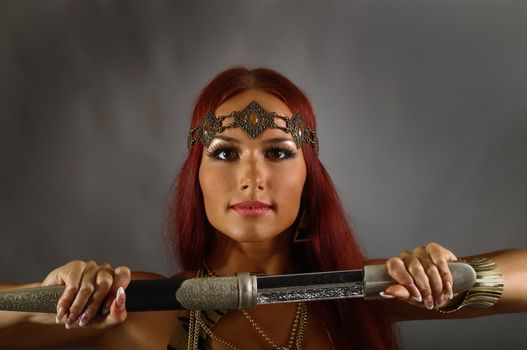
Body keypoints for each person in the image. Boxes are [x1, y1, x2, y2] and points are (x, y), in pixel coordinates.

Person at [0, 67, 525, 350]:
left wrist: (450, 280)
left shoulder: (362, 296)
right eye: (225, 153)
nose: (252, 176)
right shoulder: (138, 308)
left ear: (308, 177)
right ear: (196, 177)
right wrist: (48, 297)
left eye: (278, 151)